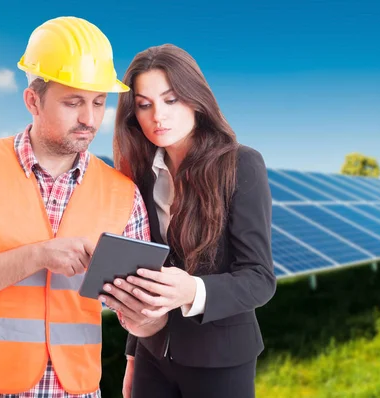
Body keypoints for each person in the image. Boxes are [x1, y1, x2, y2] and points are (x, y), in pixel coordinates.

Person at [0, 16, 150, 398]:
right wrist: (38, 255)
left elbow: (139, 322)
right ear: (33, 101)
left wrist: (148, 313)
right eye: (73, 102)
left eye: (98, 102)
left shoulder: (122, 193)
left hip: (75, 391)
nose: (89, 119)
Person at [100, 44, 276, 398]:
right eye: (144, 105)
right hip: (154, 353)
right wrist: (133, 356)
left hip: (221, 358)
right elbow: (146, 270)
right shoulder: (142, 176)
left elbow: (260, 278)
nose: (157, 116)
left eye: (171, 99)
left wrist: (192, 290)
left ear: (195, 99)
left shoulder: (241, 165)